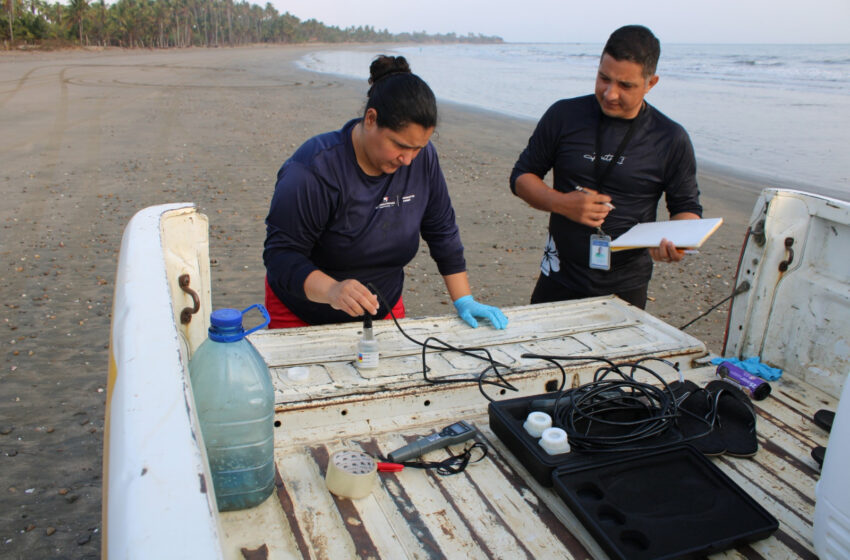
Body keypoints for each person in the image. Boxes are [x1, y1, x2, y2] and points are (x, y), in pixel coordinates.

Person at [264, 55, 507, 330]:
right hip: (303, 310)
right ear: (371, 119)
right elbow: (280, 257)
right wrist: (333, 290)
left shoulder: (422, 159)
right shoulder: (312, 171)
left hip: (383, 308)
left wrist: (464, 299)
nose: (408, 160)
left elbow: (442, 230)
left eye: (418, 147)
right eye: (400, 145)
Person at [510, 25, 703, 309]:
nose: (610, 93)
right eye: (603, 78)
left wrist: (676, 242)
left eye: (625, 85)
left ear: (651, 83)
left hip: (626, 285)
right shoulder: (564, 115)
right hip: (558, 274)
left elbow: (687, 209)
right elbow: (521, 177)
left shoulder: (670, 138)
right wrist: (562, 203)